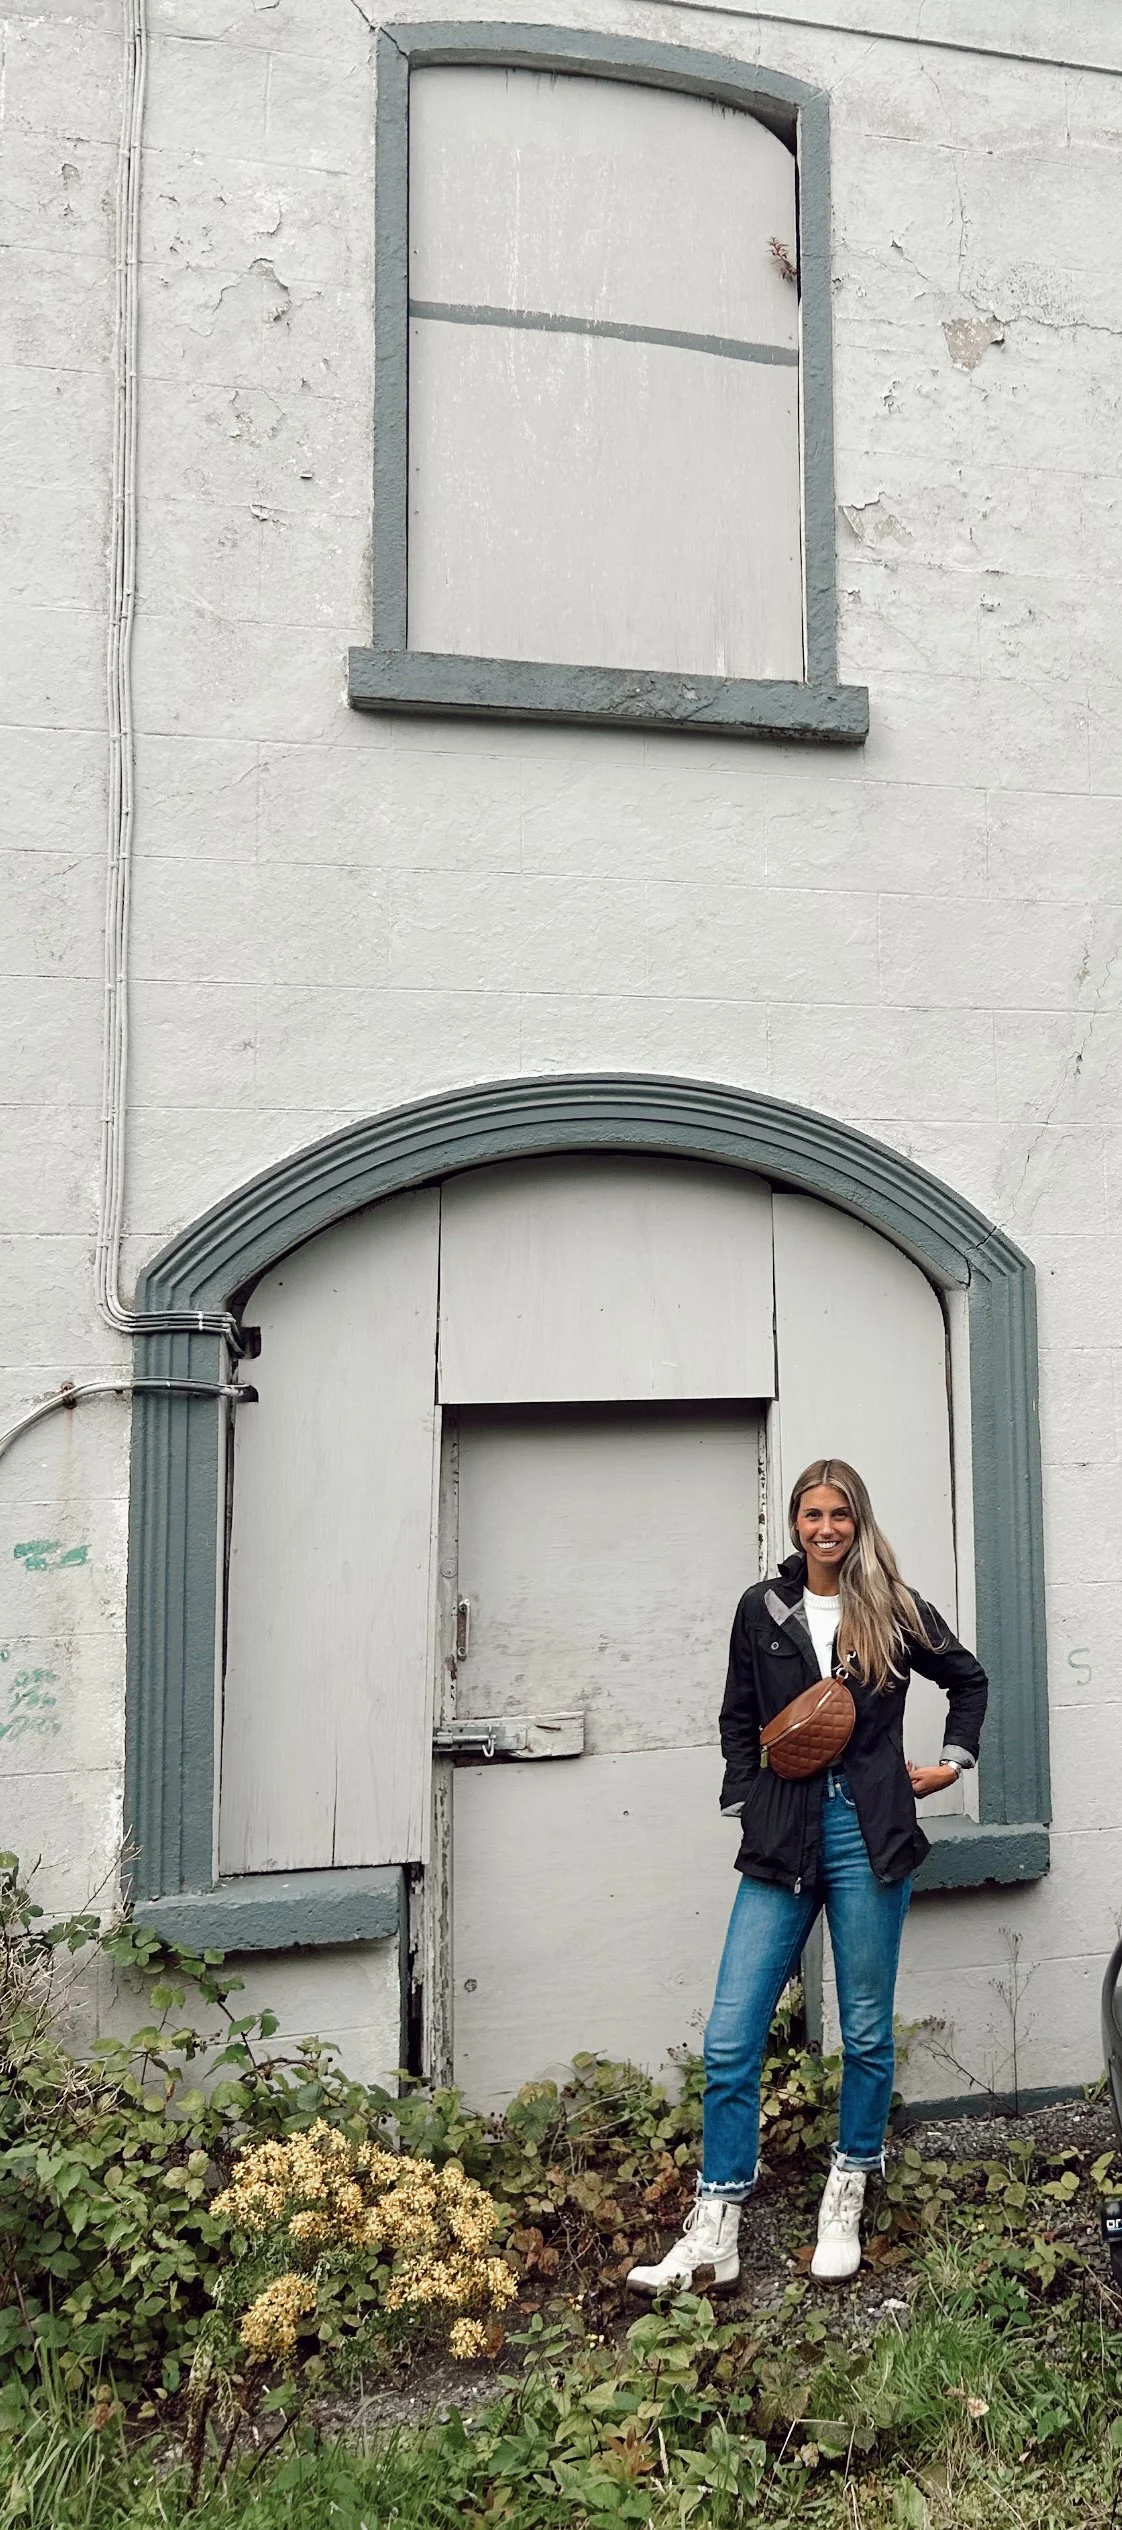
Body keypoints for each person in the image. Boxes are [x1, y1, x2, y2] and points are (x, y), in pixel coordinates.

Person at [627, 1457, 988, 2293]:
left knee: (862, 2030)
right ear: (795, 1523)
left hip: (868, 1832)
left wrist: (949, 1763)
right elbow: (738, 1716)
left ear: (858, 1522)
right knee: (730, 2036)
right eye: (810, 1515)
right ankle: (716, 2226)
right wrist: (747, 1799)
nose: (824, 1528)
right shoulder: (765, 1608)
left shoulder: (894, 1608)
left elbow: (966, 1679)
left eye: (839, 1515)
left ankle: (849, 2187)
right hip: (784, 1833)